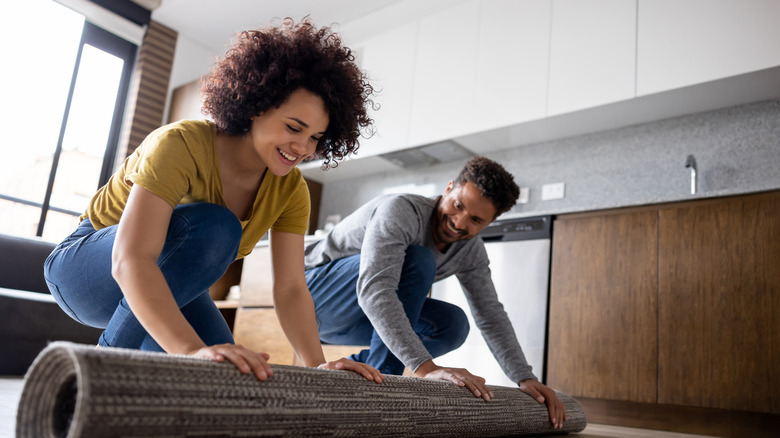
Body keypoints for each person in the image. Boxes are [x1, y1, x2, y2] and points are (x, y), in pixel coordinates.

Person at [43, 17, 383, 384]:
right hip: (85, 271)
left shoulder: (291, 190)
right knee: (216, 226)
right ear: (257, 105)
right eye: (293, 127)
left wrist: (316, 364)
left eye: (316, 137)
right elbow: (132, 259)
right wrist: (190, 349)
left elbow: (291, 288)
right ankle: (95, 379)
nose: (303, 148)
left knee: (232, 377)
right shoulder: (180, 144)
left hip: (170, 286)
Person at [304, 156, 567, 428]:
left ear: (488, 223)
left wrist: (525, 377)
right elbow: (375, 291)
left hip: (360, 318)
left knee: (452, 325)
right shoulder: (402, 211)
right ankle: (378, 398)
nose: (459, 222)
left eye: (475, 219)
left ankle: (359, 374)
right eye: (458, 205)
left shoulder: (470, 251)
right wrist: (427, 369)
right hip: (313, 299)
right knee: (418, 258)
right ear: (449, 187)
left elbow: (490, 315)